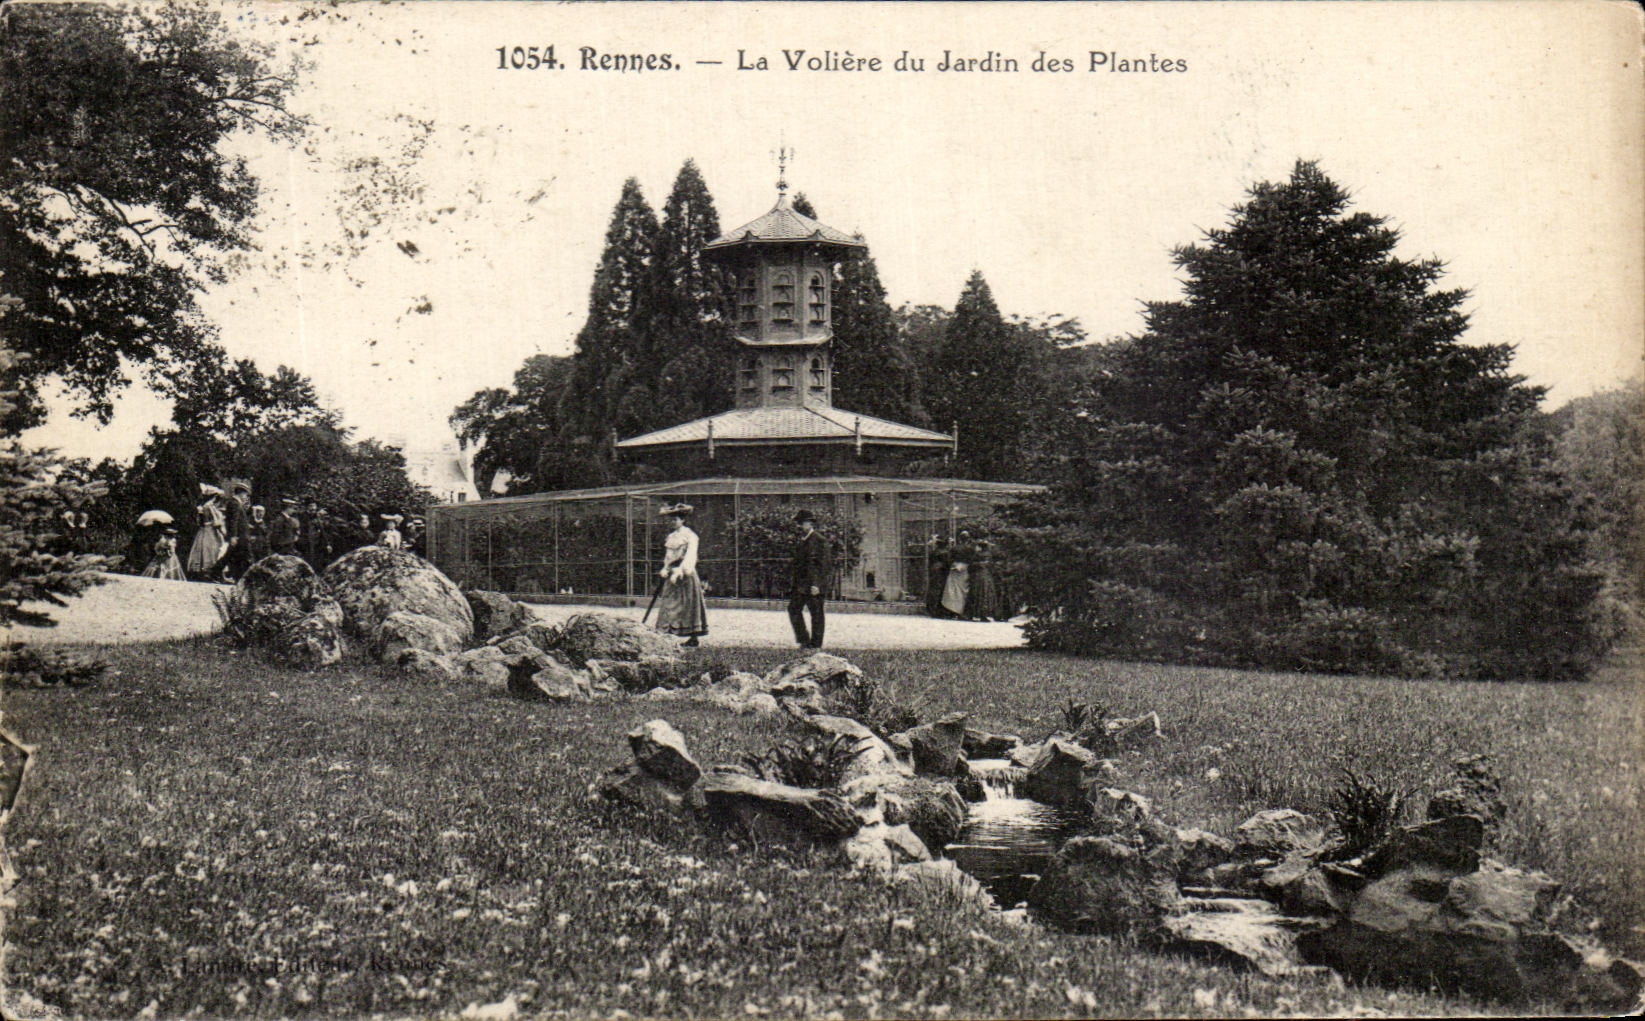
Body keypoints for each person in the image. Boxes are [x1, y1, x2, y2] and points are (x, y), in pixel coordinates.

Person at [652, 503, 707, 646]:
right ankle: (664, 634)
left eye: (675, 519)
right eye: (671, 520)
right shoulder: (671, 537)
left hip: (684, 574)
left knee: (688, 605)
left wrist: (681, 570)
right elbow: (669, 556)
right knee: (668, 602)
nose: (672, 522)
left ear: (683, 520)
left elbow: (691, 556)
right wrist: (665, 568)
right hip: (672, 572)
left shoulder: (690, 536)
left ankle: (693, 637)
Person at [788, 508, 833, 650]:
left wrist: (817, 585)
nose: (799, 526)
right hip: (801, 585)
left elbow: (824, 565)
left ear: (809, 523)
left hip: (814, 586)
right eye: (798, 523)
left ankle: (816, 644)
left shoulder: (820, 541)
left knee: (817, 613)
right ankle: (804, 640)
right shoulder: (802, 541)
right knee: (793, 608)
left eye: (801, 523)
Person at [186, 484, 227, 580]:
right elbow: (215, 522)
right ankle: (209, 573)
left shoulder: (205, 506)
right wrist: (222, 522)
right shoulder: (209, 506)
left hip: (205, 530)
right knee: (211, 550)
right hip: (210, 531)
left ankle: (208, 572)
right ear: (214, 496)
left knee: (207, 550)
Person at [221, 479, 254, 581]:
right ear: (239, 492)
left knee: (233, 555)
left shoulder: (237, 504)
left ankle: (216, 572)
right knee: (244, 556)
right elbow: (233, 521)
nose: (246, 497)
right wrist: (233, 536)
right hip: (240, 536)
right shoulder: (234, 503)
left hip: (240, 536)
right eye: (245, 494)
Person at [941, 530, 972, 619]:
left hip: (955, 568)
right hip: (965, 569)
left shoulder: (954, 548)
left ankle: (952, 611)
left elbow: (949, 559)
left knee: (953, 591)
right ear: (968, 539)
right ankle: (961, 611)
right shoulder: (970, 549)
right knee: (963, 591)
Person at [924, 535, 952, 618]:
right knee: (940, 590)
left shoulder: (934, 552)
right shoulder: (945, 552)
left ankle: (931, 609)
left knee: (933, 589)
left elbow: (930, 562)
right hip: (941, 572)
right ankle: (939, 610)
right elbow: (947, 563)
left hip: (934, 571)